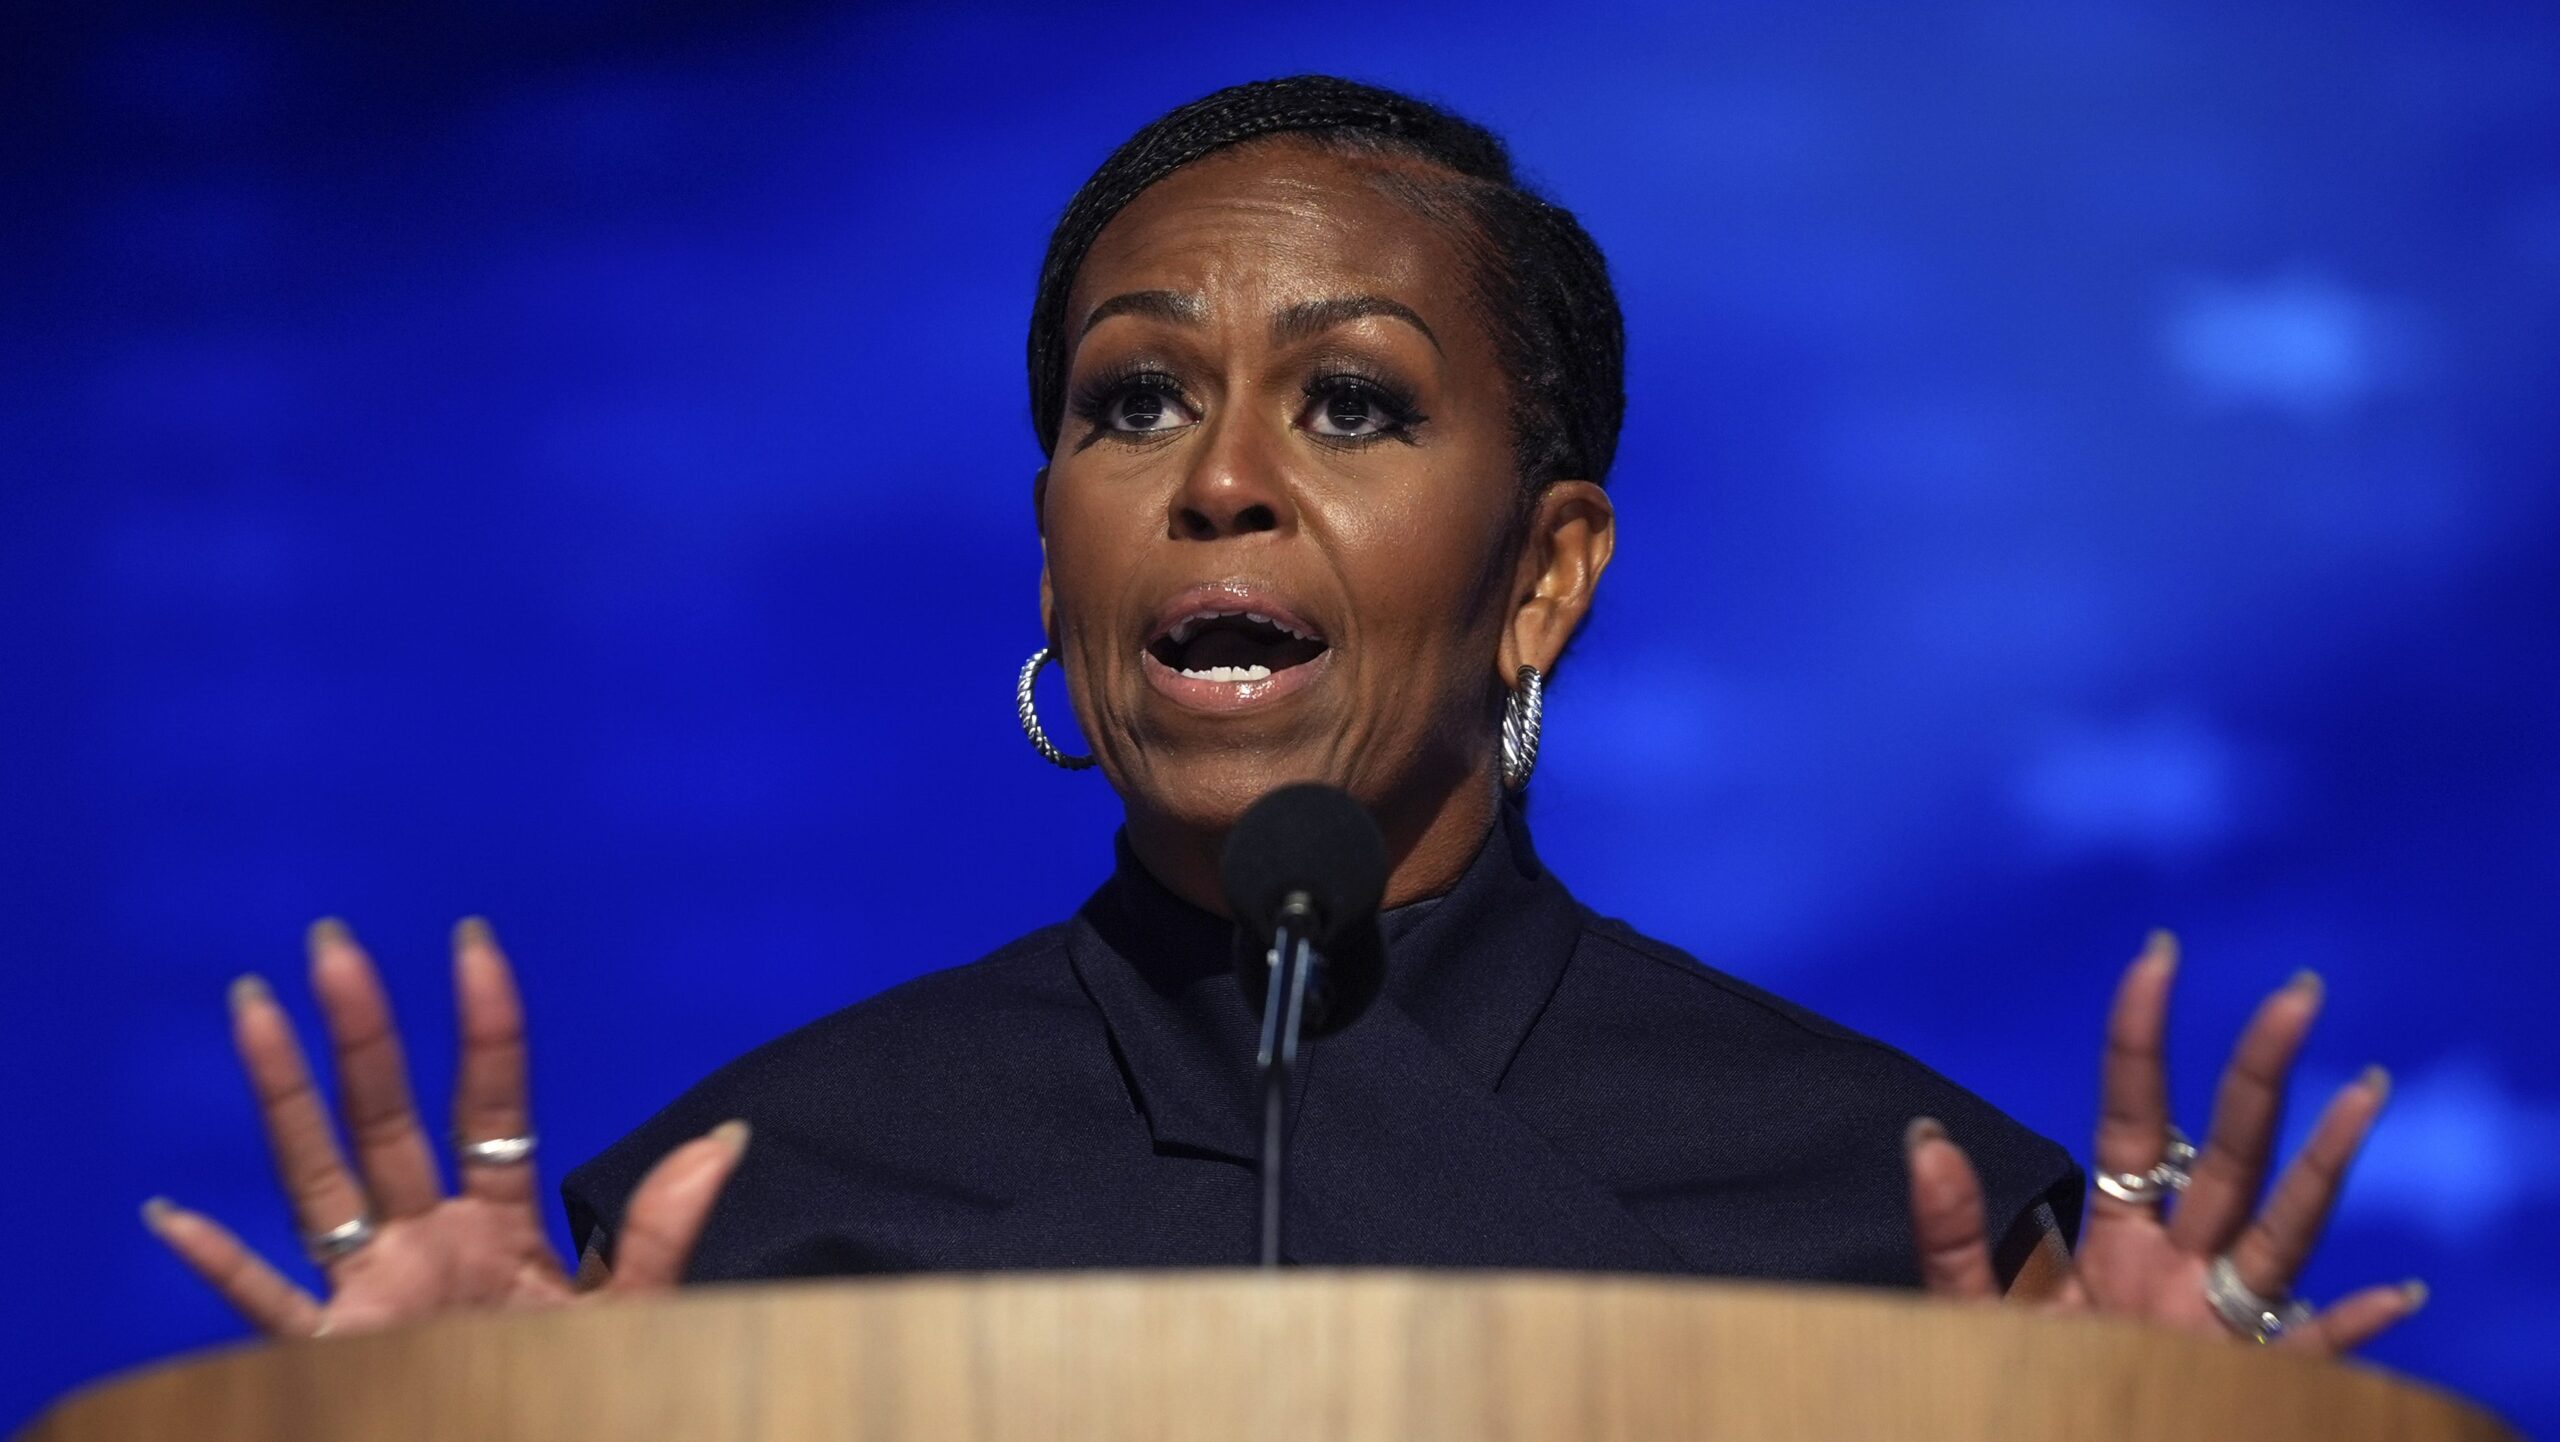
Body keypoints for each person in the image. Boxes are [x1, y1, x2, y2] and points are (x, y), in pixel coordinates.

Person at [142, 75, 2419, 1351]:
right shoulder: (739, 1220)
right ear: (1057, 558)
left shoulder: (1895, 1223)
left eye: (1350, 402)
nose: (1219, 477)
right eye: (1133, 402)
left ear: (1545, 576)